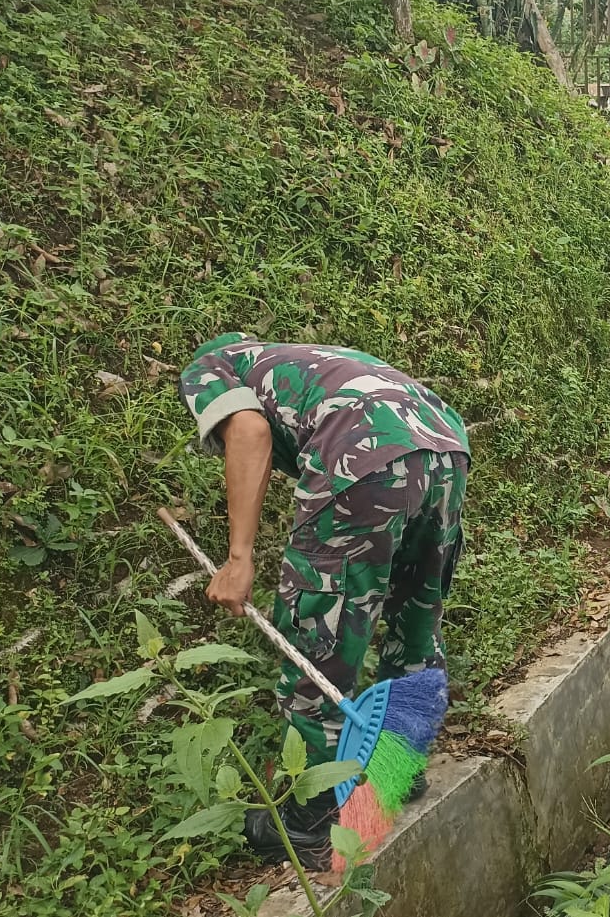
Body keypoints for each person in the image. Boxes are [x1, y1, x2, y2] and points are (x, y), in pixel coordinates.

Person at [176, 334, 470, 868]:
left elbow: (248, 429)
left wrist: (239, 557)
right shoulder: (303, 361)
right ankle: (395, 770)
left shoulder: (207, 368)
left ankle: (312, 817)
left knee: (319, 630)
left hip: (362, 458)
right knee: (416, 616)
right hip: (446, 446)